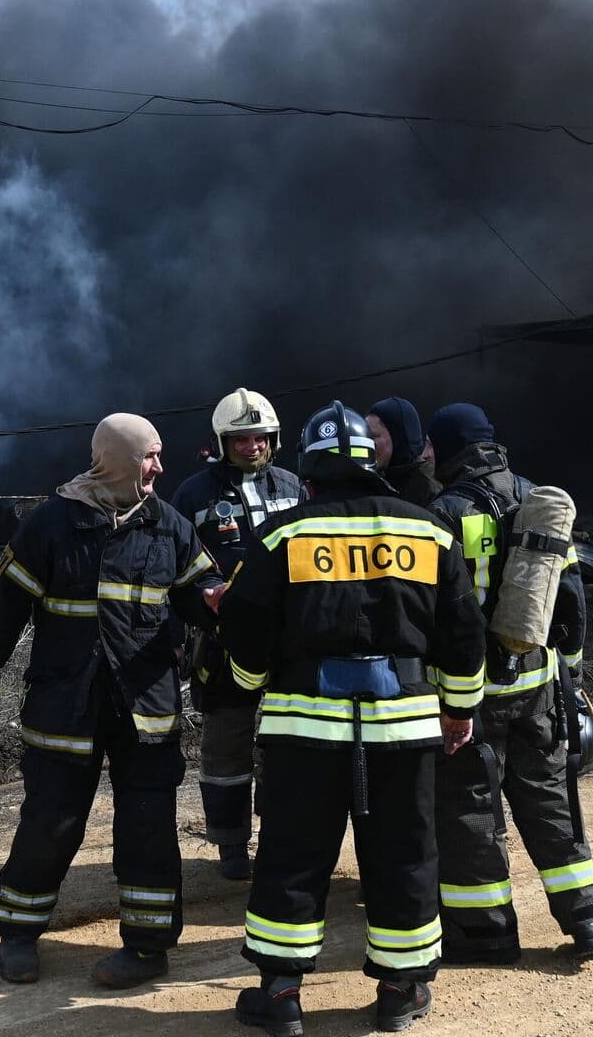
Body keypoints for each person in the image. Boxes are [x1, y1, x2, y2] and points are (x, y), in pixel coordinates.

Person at [217, 400, 486, 1034]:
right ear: (376, 464)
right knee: (405, 852)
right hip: (405, 728)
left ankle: (281, 996)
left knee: (292, 853)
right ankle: (400, 991)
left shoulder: (283, 535)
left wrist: (253, 682)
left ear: (307, 476)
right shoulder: (429, 531)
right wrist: (459, 708)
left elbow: (245, 622)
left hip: (302, 732)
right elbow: (463, 631)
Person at [0, 413, 225, 988]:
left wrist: (217, 603)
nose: (158, 467)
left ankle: (148, 948)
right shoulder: (51, 524)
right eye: (149, 456)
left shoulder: (170, 526)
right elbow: (5, 614)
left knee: (148, 826)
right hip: (64, 707)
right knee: (51, 822)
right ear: (118, 459)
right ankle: (19, 933)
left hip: (146, 706)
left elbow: (199, 601)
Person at [424, 403, 593, 964]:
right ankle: (588, 923)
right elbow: (572, 599)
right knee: (552, 803)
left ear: (451, 447)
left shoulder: (443, 513)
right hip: (538, 687)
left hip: (471, 694)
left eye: (433, 445)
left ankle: (486, 939)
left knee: (470, 813)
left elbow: (441, 613)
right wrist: (569, 671)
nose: (426, 455)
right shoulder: (537, 501)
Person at [168, 388, 305, 880]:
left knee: (287, 738)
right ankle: (229, 843)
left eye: (260, 438)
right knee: (226, 742)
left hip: (288, 640)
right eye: (240, 439)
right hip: (222, 640)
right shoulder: (194, 493)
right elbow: (175, 560)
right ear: (221, 442)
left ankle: (281, 834)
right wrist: (204, 590)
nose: (252, 447)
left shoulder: (294, 486)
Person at [367, 396, 442, 506]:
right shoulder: (373, 481)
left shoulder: (430, 490)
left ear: (398, 439)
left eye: (373, 436)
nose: (367, 443)